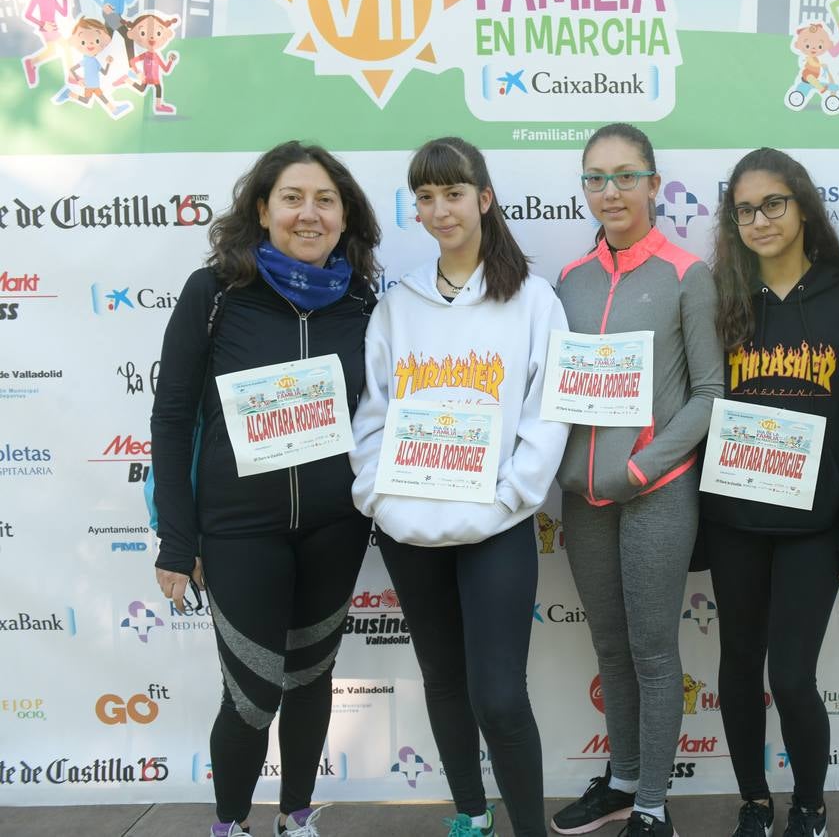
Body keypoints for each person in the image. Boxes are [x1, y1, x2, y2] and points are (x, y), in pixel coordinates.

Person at [151, 141, 381, 837]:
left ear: (345, 218)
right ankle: (228, 825)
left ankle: (297, 818)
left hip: (334, 527)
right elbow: (171, 415)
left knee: (312, 683)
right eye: (292, 198)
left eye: (325, 200)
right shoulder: (215, 293)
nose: (307, 214)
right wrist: (175, 537)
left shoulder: (364, 301)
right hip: (238, 530)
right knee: (252, 697)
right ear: (263, 209)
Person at [350, 137, 569, 837]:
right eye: (425, 196)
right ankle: (471, 818)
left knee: (499, 697)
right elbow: (373, 413)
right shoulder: (399, 305)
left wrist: (510, 497)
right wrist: (377, 497)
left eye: (452, 193)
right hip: (411, 530)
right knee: (443, 683)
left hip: (495, 529)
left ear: (484, 197)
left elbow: (548, 412)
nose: (440, 209)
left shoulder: (533, 301)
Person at [704, 148, 839, 837]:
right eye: (745, 209)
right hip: (733, 519)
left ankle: (810, 805)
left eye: (773, 203)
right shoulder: (723, 303)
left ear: (803, 206)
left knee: (794, 677)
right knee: (738, 666)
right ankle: (754, 801)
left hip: (815, 524)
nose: (760, 220)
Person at [550, 123, 722, 837]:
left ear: (655, 184)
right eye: (596, 177)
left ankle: (653, 806)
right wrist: (571, 472)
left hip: (655, 491)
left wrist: (641, 467)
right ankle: (621, 780)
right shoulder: (568, 280)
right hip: (584, 500)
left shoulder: (687, 274)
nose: (610, 191)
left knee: (654, 653)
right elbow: (558, 391)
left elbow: (709, 392)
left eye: (625, 175)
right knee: (610, 648)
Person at [14, 0, 73, 88]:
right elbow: (27, 15)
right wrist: (43, 24)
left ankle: (32, 62)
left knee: (53, 51)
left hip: (54, 27)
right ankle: (72, 76)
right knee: (65, 47)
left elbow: (63, 12)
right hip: (47, 29)